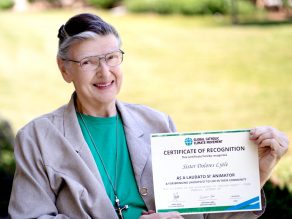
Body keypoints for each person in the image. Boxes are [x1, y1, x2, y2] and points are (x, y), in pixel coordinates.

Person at [8, 13, 289, 219]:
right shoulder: (37, 138)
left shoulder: (158, 123)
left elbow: (202, 215)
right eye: (88, 62)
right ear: (64, 69)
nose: (105, 73)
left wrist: (257, 173)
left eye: (111, 57)